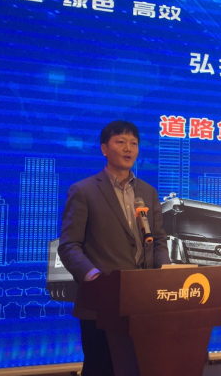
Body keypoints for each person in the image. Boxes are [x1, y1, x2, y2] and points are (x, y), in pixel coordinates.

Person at [58, 120, 171, 376]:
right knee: (102, 368)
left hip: (143, 302)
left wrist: (166, 272)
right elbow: (69, 245)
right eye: (121, 142)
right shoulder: (84, 191)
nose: (128, 148)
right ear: (104, 149)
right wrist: (95, 278)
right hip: (101, 303)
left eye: (133, 143)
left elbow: (159, 240)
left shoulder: (148, 192)